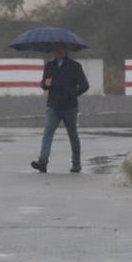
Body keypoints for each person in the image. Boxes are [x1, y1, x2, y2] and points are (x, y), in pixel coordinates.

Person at [31, 44, 89, 173]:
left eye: (61, 49)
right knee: (48, 133)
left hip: (70, 106)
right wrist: (45, 84)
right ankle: (43, 161)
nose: (58, 52)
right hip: (53, 106)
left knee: (73, 135)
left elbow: (85, 85)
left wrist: (73, 93)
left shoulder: (74, 66)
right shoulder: (49, 66)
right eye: (56, 49)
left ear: (66, 51)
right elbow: (44, 84)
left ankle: (76, 163)